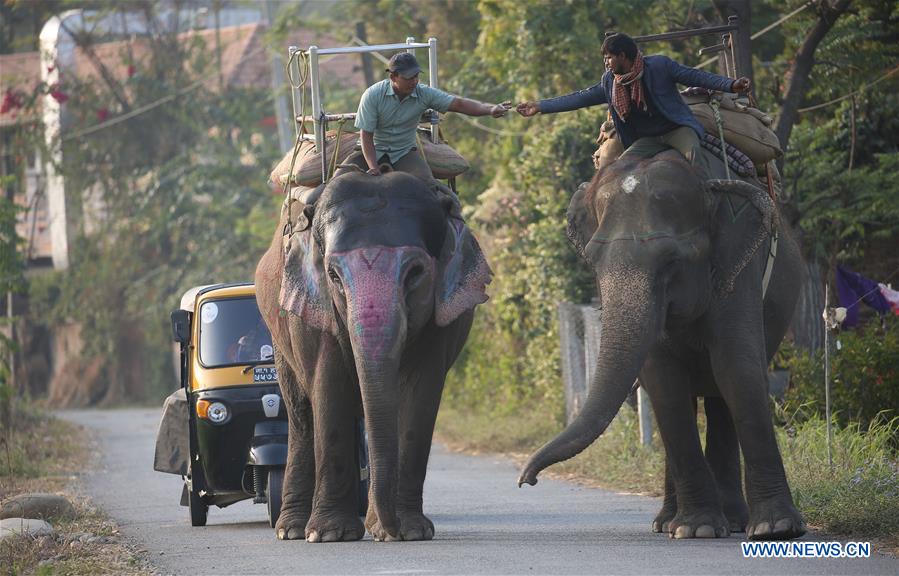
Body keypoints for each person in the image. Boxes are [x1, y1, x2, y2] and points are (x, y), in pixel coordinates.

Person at [516, 33, 751, 177]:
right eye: (604, 57)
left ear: (624, 56)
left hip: (674, 130)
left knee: (694, 156)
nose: (606, 62)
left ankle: (708, 198)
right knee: (620, 171)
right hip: (644, 140)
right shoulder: (610, 81)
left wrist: (731, 85)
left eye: (609, 57)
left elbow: (695, 77)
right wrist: (540, 106)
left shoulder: (659, 66)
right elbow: (579, 98)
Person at [339, 52, 512, 181]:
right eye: (408, 78)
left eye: (416, 76)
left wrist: (489, 110)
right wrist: (373, 168)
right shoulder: (372, 95)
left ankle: (456, 226)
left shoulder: (424, 93)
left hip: (403, 153)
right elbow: (366, 135)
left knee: (428, 185)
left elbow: (458, 104)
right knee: (337, 184)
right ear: (393, 76)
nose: (414, 81)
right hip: (371, 151)